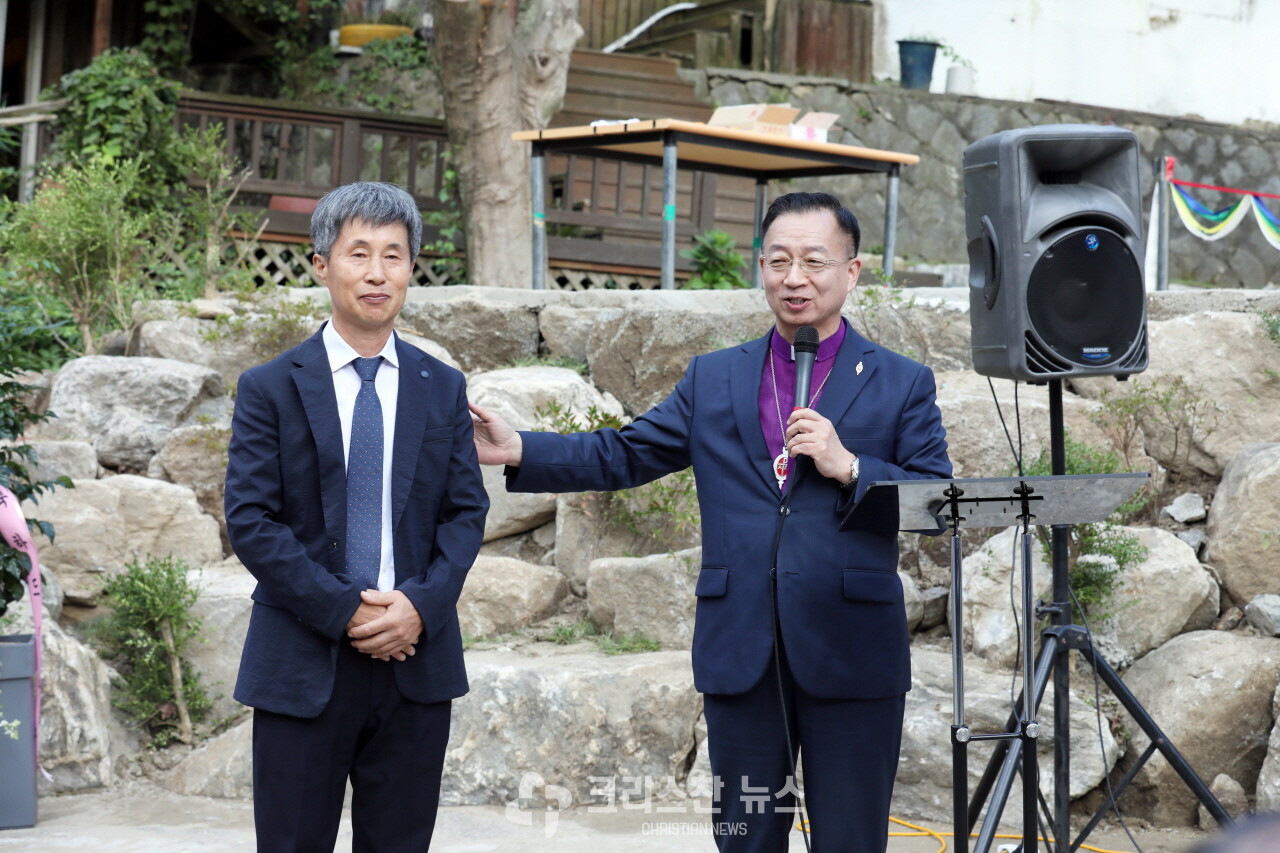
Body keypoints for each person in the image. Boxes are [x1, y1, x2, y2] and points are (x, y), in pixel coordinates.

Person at [470, 191, 951, 852]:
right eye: (778, 260)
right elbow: (627, 451)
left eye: (814, 260)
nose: (794, 277)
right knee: (745, 836)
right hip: (742, 646)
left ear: (853, 270)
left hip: (852, 648)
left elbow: (937, 502)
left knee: (850, 841)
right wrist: (522, 447)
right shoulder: (715, 378)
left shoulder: (902, 381)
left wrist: (851, 466)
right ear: (760, 266)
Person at [224, 181, 488, 852]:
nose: (377, 273)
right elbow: (251, 519)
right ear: (320, 264)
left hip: (414, 660)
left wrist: (418, 608)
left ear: (412, 267)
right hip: (303, 659)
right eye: (358, 253)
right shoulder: (271, 388)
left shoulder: (441, 385)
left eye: (394, 255)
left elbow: (464, 512)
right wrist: (348, 609)